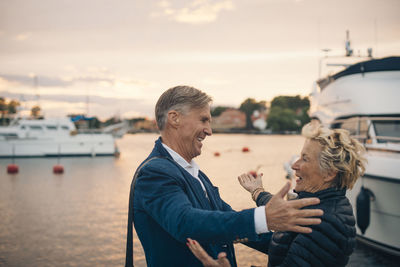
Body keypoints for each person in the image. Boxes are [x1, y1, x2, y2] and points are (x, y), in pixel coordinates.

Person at [125, 86, 323, 267]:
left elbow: (226, 220)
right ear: (174, 118)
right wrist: (263, 217)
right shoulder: (154, 172)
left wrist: (302, 251)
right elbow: (185, 222)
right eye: (203, 120)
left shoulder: (196, 174)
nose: (209, 131)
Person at [188, 121, 366, 267]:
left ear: (329, 173)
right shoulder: (316, 204)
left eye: (305, 158)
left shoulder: (323, 220)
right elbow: (284, 238)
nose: (294, 165)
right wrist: (256, 194)